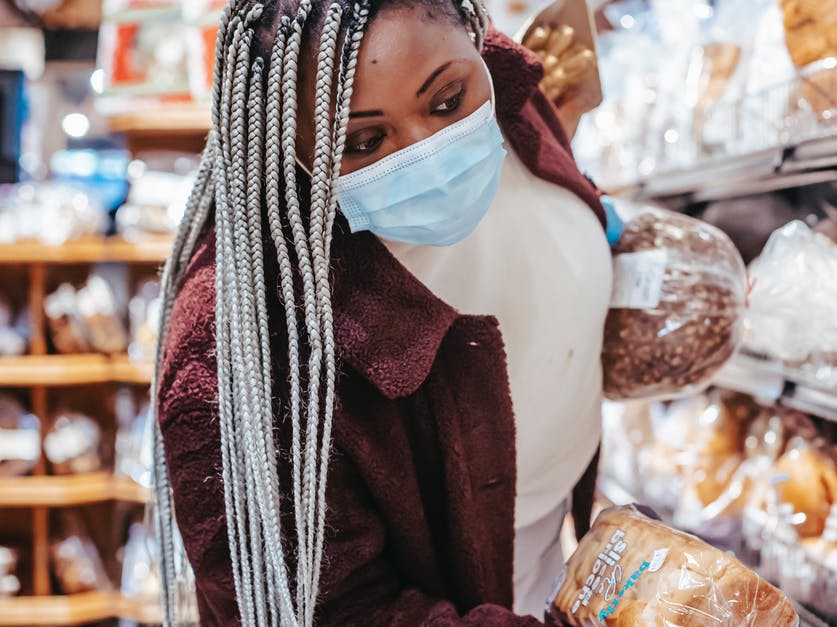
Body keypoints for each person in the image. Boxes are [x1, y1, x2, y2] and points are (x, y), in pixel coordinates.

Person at [151, 0, 614, 624]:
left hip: (554, 549)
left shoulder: (501, 78)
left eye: (449, 101)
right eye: (364, 141)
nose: (432, 151)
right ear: (288, 146)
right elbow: (338, 610)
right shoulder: (236, 353)